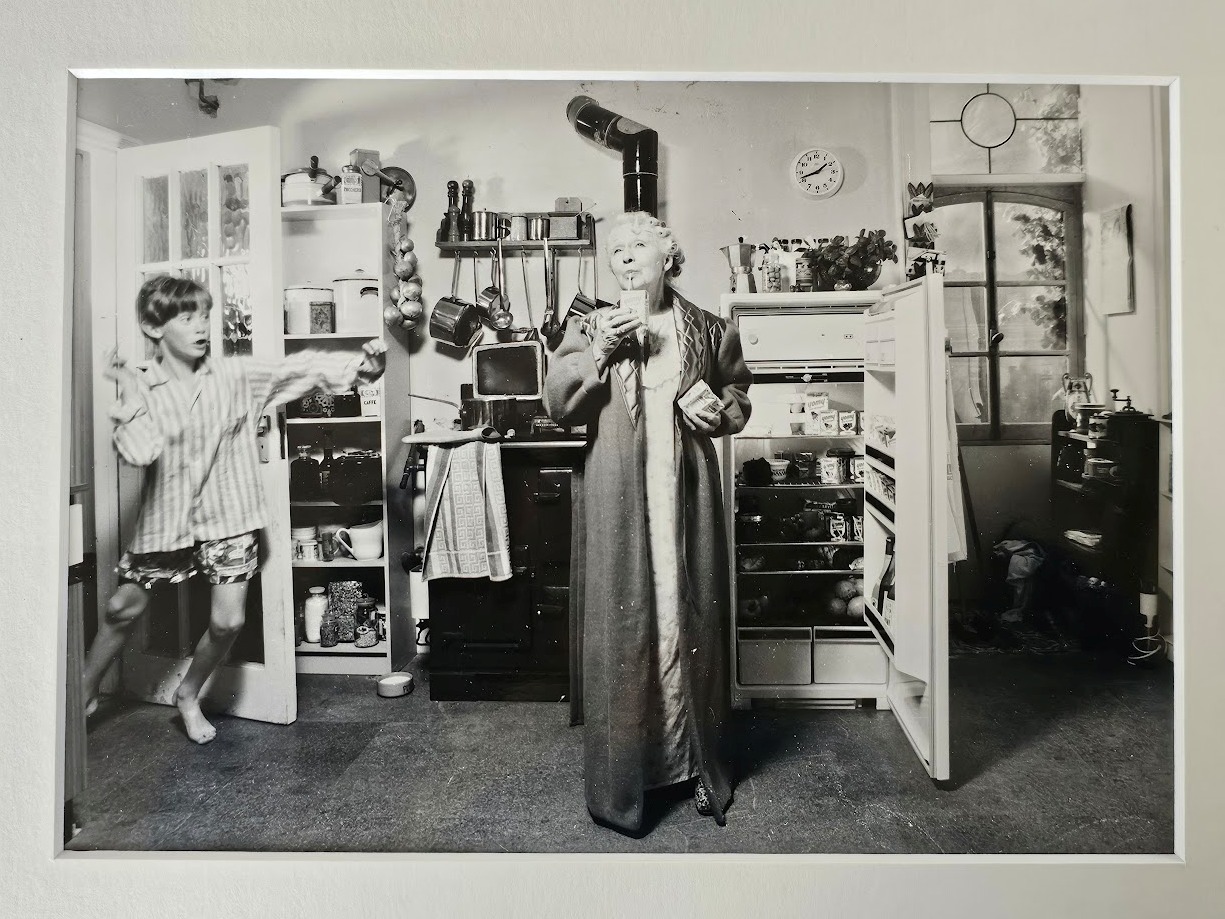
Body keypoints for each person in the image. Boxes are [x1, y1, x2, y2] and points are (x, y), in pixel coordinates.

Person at [82, 275, 387, 744]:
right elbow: (139, 452)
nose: (202, 326)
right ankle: (81, 694)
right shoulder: (143, 383)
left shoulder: (236, 375)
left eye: (204, 314)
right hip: (169, 522)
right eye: (187, 317)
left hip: (230, 516)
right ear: (154, 326)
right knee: (123, 609)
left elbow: (300, 366)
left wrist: (361, 366)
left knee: (228, 622)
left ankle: (188, 695)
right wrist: (129, 403)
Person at [544, 211, 752, 833]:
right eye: (615, 252)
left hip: (684, 493)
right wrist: (598, 354)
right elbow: (556, 405)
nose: (623, 260)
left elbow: (739, 396)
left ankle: (694, 764)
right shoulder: (590, 326)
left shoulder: (710, 329)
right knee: (625, 624)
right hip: (618, 495)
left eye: (636, 248)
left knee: (685, 615)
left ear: (668, 259)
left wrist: (721, 413)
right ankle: (624, 780)